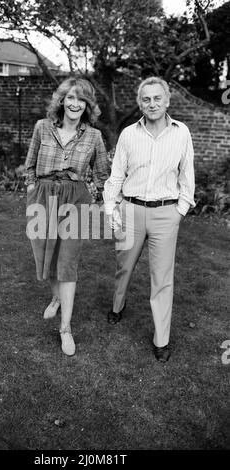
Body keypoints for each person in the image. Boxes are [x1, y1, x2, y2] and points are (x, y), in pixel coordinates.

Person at [103, 76, 195, 362]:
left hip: (166, 213)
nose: (152, 103)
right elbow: (117, 174)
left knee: (162, 278)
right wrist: (110, 207)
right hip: (131, 210)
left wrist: (179, 211)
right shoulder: (129, 134)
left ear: (167, 101)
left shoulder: (182, 133)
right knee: (124, 266)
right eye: (146, 99)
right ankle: (118, 304)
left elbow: (187, 176)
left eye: (157, 98)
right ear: (139, 104)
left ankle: (161, 339)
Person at [24, 77, 109, 356]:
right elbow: (31, 163)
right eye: (70, 98)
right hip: (44, 196)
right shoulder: (42, 127)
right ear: (62, 100)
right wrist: (32, 186)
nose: (75, 104)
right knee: (48, 255)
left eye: (81, 99)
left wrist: (95, 200)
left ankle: (65, 328)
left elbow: (101, 174)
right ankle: (55, 297)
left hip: (76, 198)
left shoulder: (94, 137)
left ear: (88, 105)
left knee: (68, 261)